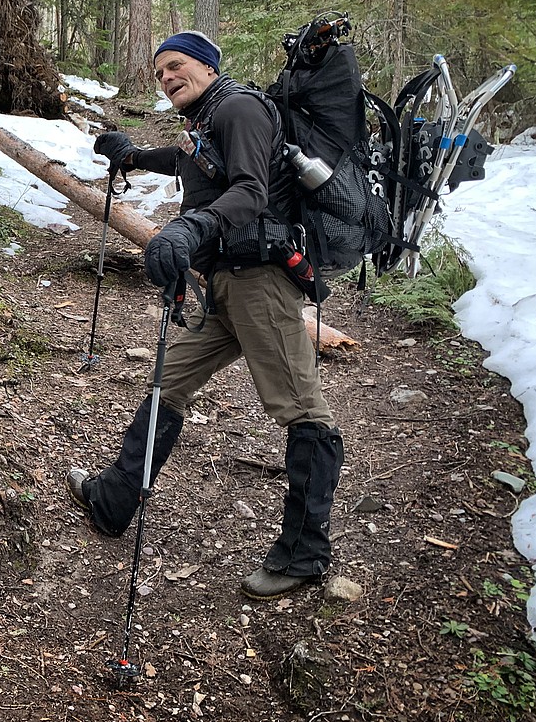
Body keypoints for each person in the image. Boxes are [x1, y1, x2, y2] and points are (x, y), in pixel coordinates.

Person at [65, 30, 345, 601]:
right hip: (225, 284)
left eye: (177, 66)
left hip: (263, 282)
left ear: (208, 66)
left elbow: (250, 192)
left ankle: (305, 553)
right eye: (160, 71)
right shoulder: (207, 119)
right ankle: (115, 499)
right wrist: (137, 157)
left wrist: (190, 226)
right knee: (169, 381)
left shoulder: (239, 107)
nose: (167, 78)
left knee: (302, 410)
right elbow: (195, 159)